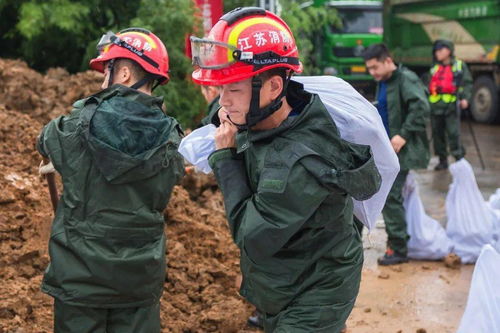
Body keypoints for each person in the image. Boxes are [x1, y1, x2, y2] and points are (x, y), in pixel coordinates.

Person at [190, 7, 381, 332]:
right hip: (286, 280)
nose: (223, 102)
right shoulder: (272, 110)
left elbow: (252, 235)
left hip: (315, 291)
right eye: (220, 90)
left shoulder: (299, 161)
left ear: (274, 87)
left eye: (232, 90)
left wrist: (226, 158)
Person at [37, 28, 184, 333]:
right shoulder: (172, 138)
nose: (103, 81)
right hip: (139, 282)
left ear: (126, 73)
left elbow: (44, 140)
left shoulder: (77, 123)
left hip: (79, 281)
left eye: (108, 70)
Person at [362, 43, 430, 265]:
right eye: (369, 69)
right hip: (387, 149)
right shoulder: (384, 81)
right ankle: (398, 242)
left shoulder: (405, 79)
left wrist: (403, 135)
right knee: (387, 195)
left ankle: (399, 248)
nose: (372, 73)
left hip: (401, 149)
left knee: (390, 196)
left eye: (375, 67)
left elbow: (420, 108)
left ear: (388, 61)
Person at [428, 39, 472, 170]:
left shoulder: (459, 65)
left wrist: (465, 98)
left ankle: (459, 159)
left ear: (449, 51)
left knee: (454, 134)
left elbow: (468, 83)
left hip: (451, 107)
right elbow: (429, 85)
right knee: (437, 135)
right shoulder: (434, 67)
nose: (437, 53)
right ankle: (443, 161)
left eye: (440, 50)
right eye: (436, 51)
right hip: (435, 107)